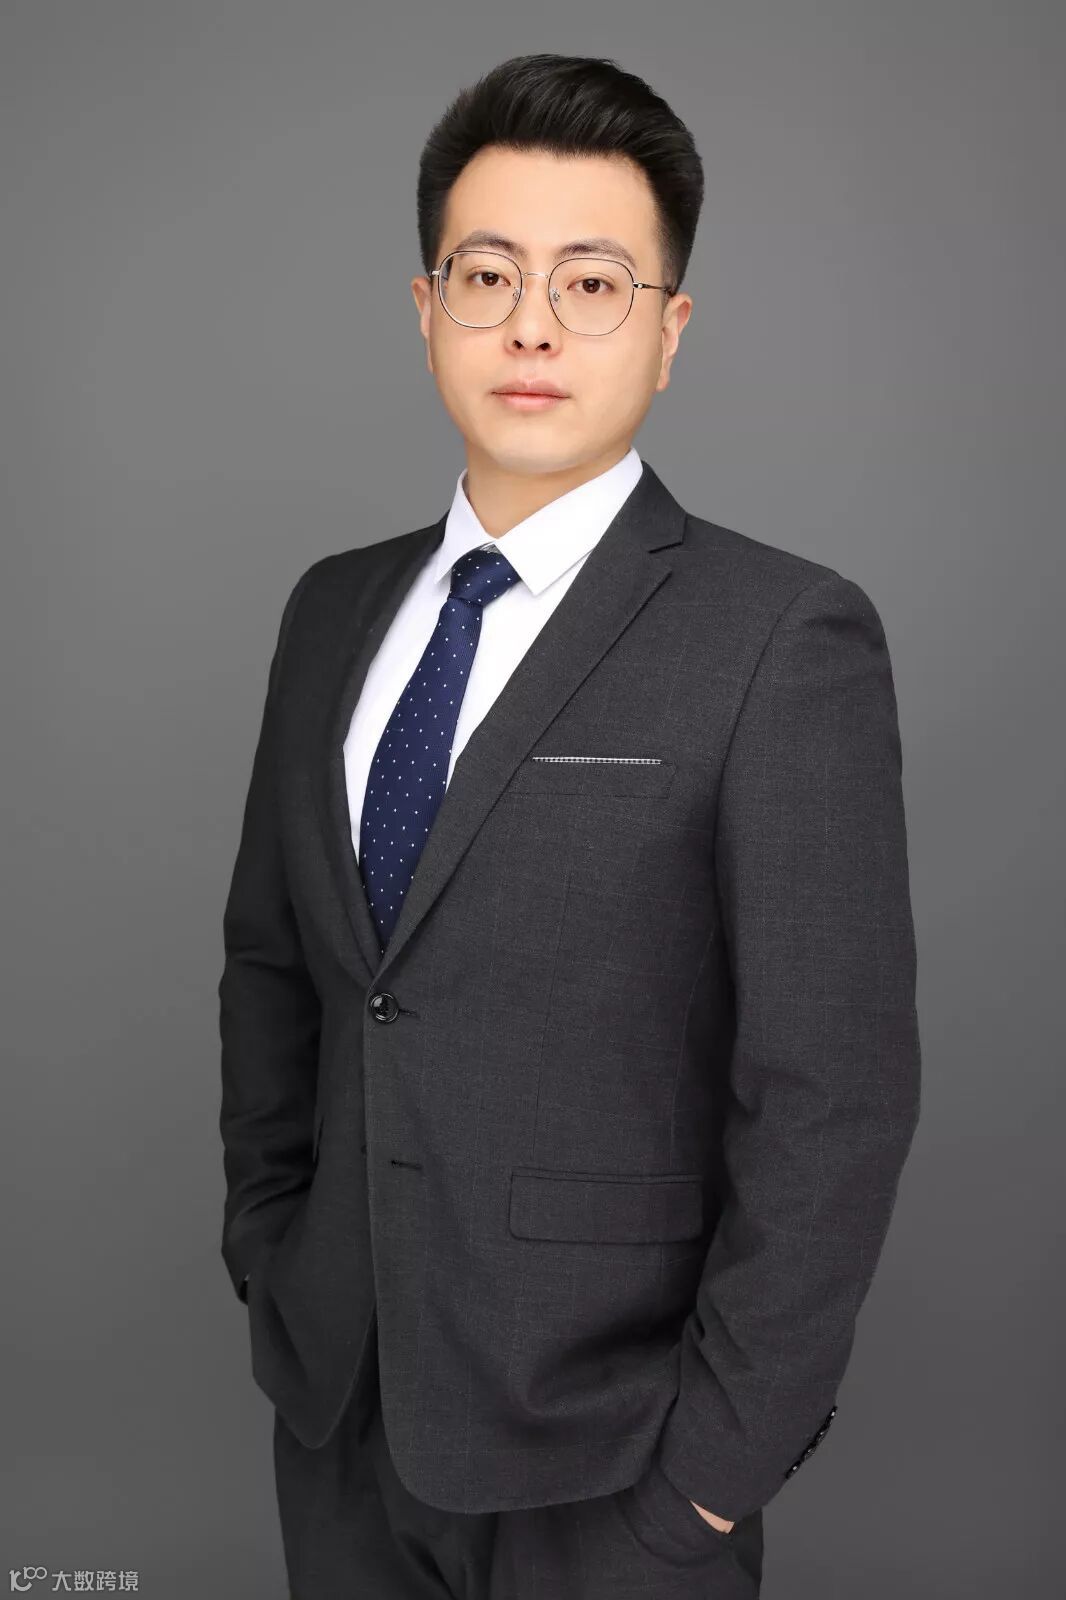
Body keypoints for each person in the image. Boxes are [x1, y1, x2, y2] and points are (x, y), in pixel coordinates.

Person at [218, 51, 921, 1600]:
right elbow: (274, 971)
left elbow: (832, 1097)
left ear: (668, 331)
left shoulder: (779, 635)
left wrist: (712, 1478)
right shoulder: (330, 612)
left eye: (592, 283)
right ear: (426, 310)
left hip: (614, 1458)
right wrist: (272, 1253)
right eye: (488, 276)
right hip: (339, 1413)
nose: (531, 325)